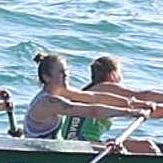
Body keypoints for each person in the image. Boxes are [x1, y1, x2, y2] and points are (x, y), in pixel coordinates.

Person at [60, 55, 163, 153]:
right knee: (148, 147)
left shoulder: (92, 91)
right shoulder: (106, 88)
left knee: (144, 145)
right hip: (82, 145)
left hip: (79, 143)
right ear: (112, 75)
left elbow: (149, 111)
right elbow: (143, 96)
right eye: (121, 73)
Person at [22, 53, 150, 141]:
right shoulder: (48, 102)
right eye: (61, 72)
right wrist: (130, 112)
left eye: (67, 71)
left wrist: (134, 103)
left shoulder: (61, 91)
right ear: (46, 77)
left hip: (56, 148)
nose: (66, 75)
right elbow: (92, 111)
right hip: (45, 154)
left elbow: (96, 97)